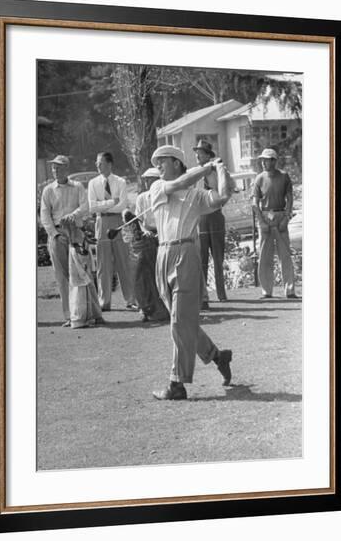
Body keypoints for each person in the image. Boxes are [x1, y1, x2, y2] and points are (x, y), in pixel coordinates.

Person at [149, 145, 233, 400]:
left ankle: (177, 384)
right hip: (162, 255)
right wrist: (206, 167)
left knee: (178, 321)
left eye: (162, 161)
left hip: (185, 254)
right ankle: (218, 356)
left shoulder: (197, 195)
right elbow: (179, 184)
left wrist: (221, 170)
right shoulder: (157, 187)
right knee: (183, 321)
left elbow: (222, 198)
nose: (158, 166)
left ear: (176, 162)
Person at [40, 154, 88, 327]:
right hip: (58, 236)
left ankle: (84, 313)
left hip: (76, 234)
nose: (55, 170)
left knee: (82, 274)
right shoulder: (48, 190)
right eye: (53, 167)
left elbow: (85, 206)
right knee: (62, 277)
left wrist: (73, 215)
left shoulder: (77, 186)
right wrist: (55, 234)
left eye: (59, 167)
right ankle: (70, 316)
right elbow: (44, 215)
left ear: (67, 168)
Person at [88, 152, 136, 311]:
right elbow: (92, 207)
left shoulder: (121, 182)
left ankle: (130, 299)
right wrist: (110, 202)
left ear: (109, 164)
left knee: (123, 261)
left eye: (100, 163)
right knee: (103, 264)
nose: (98, 166)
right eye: (97, 163)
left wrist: (103, 204)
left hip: (118, 222)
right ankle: (104, 301)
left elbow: (122, 206)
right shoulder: (93, 183)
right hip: (101, 223)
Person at [120, 168, 168, 322]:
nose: (148, 182)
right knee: (142, 275)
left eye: (151, 179)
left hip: (163, 236)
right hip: (145, 238)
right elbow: (140, 220)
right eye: (146, 179)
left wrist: (160, 233)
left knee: (161, 273)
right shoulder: (141, 198)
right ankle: (144, 307)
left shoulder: (165, 196)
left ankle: (164, 306)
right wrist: (146, 231)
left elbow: (166, 218)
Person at [252, 148, 297, 299]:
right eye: (263, 160)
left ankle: (289, 290)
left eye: (267, 159)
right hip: (265, 216)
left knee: (285, 255)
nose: (264, 162)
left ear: (274, 161)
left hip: (280, 215)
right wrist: (261, 221)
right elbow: (254, 202)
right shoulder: (259, 178)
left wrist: (286, 218)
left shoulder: (284, 176)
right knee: (265, 255)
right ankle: (266, 291)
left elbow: (290, 199)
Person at [193, 140, 232, 307]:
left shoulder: (218, 170)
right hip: (201, 217)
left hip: (215, 215)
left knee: (218, 256)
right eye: (196, 152)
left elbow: (230, 187)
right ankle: (203, 295)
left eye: (200, 152)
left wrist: (222, 202)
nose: (197, 155)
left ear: (208, 155)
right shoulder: (194, 173)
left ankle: (221, 294)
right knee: (201, 257)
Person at [60, 216, 103, 329]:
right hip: (77, 261)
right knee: (80, 289)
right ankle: (83, 317)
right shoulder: (73, 235)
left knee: (85, 288)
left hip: (81, 260)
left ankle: (88, 316)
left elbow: (82, 246)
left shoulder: (78, 233)